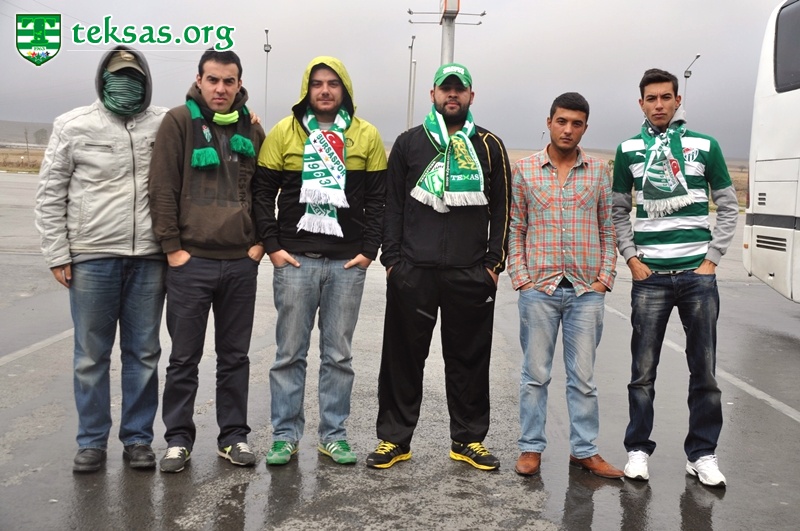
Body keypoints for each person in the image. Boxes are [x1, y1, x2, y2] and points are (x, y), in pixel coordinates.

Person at [367, 63, 511, 471]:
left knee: (469, 360)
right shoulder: (409, 143)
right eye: (445, 89)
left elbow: (503, 208)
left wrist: (493, 264)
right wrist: (393, 261)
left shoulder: (489, 146)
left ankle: (468, 440)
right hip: (413, 271)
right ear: (432, 94)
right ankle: (395, 439)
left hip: (470, 273)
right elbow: (393, 206)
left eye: (459, 89)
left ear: (470, 96)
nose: (452, 95)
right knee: (402, 359)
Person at [34, 46, 167, 472]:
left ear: (146, 79)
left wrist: (248, 118)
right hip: (92, 257)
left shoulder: (165, 123)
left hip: (150, 258)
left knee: (144, 353)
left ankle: (138, 439)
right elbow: (50, 193)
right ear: (103, 78)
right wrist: (57, 253)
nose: (126, 83)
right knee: (91, 356)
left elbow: (208, 124)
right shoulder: (72, 125)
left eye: (133, 76)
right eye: (118, 75)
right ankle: (91, 441)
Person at [253, 56, 387, 466]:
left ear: (344, 89)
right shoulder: (284, 132)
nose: (325, 90)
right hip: (294, 261)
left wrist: (368, 251)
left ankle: (334, 435)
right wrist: (273, 247)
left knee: (338, 357)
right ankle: (284, 436)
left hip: (347, 265)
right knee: (289, 354)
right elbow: (262, 193)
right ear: (306, 90)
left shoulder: (366, 136)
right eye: (317, 84)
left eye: (333, 83)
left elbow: (379, 200)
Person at [612, 68, 738, 487]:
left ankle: (702, 454)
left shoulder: (706, 146)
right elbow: (618, 210)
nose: (659, 105)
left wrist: (712, 259)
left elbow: (727, 205)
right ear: (641, 103)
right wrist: (631, 257)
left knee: (705, 371)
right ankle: (637, 450)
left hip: (697, 277)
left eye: (666, 97)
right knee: (642, 372)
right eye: (651, 98)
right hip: (650, 277)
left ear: (678, 100)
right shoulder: (628, 150)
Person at [148, 49, 266, 473]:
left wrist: (259, 245)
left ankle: (233, 437)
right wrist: (172, 248)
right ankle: (178, 440)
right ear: (199, 80)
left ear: (239, 84)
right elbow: (162, 187)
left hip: (240, 262)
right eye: (212, 79)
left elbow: (262, 191)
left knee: (235, 357)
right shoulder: (178, 121)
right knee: (184, 358)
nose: (220, 88)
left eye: (228, 81)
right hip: (191, 262)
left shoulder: (252, 129)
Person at [508, 92, 623, 479]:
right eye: (562, 121)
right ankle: (530, 447)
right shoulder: (525, 170)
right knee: (535, 375)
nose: (568, 129)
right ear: (549, 122)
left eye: (576, 123)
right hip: (538, 289)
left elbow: (608, 228)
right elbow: (516, 228)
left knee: (583, 379)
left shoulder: (599, 171)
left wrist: (604, 279)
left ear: (585, 128)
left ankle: (585, 451)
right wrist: (522, 280)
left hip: (586, 291)